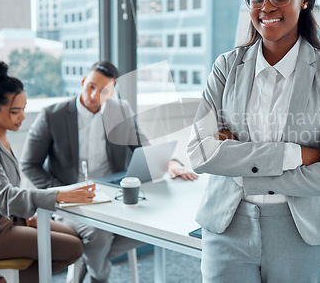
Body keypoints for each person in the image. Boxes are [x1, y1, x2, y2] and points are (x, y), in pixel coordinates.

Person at [187, 0, 320, 282]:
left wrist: (239, 165)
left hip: (303, 233)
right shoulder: (225, 67)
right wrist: (297, 155)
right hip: (227, 228)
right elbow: (199, 152)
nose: (267, 7)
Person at [21, 61, 197, 283]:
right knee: (99, 234)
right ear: (83, 82)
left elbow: (143, 147)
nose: (94, 94)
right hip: (72, 199)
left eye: (103, 90)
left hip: (111, 196)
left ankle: (88, 260)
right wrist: (63, 192)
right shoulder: (52, 115)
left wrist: (171, 162)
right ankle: (100, 276)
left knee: (155, 225)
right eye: (91, 86)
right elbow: (29, 164)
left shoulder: (120, 110)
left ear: (111, 92)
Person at [0, 61, 96, 283]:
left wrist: (23, 215)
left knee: (73, 237)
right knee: (73, 248)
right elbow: (4, 197)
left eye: (23, 108)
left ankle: (6, 279)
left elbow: (2, 193)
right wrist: (58, 195)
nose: (22, 116)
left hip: (5, 221)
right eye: (15, 111)